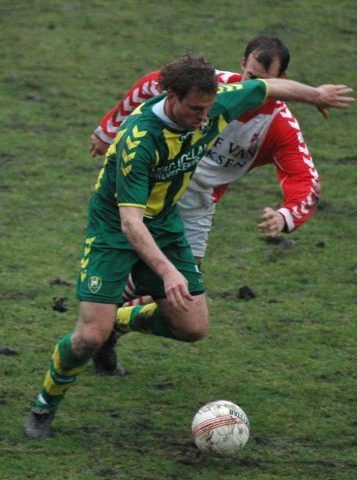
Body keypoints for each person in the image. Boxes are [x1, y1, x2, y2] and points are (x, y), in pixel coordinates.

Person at [24, 53, 353, 439]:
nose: (204, 118)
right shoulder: (140, 139)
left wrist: (315, 94)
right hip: (114, 229)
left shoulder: (214, 104)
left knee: (192, 327)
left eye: (208, 108)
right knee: (88, 338)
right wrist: (167, 271)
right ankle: (44, 407)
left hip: (164, 224)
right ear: (172, 97)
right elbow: (131, 224)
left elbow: (270, 87)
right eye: (196, 110)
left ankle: (119, 320)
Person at [90, 37, 319, 268]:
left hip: (200, 198)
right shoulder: (212, 87)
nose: (256, 85)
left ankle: (121, 300)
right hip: (160, 179)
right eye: (251, 76)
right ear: (242, 64)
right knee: (144, 264)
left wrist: (286, 215)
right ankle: (110, 293)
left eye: (264, 81)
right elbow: (151, 83)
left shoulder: (279, 126)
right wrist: (108, 130)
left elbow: (305, 178)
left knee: (187, 279)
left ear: (282, 80)